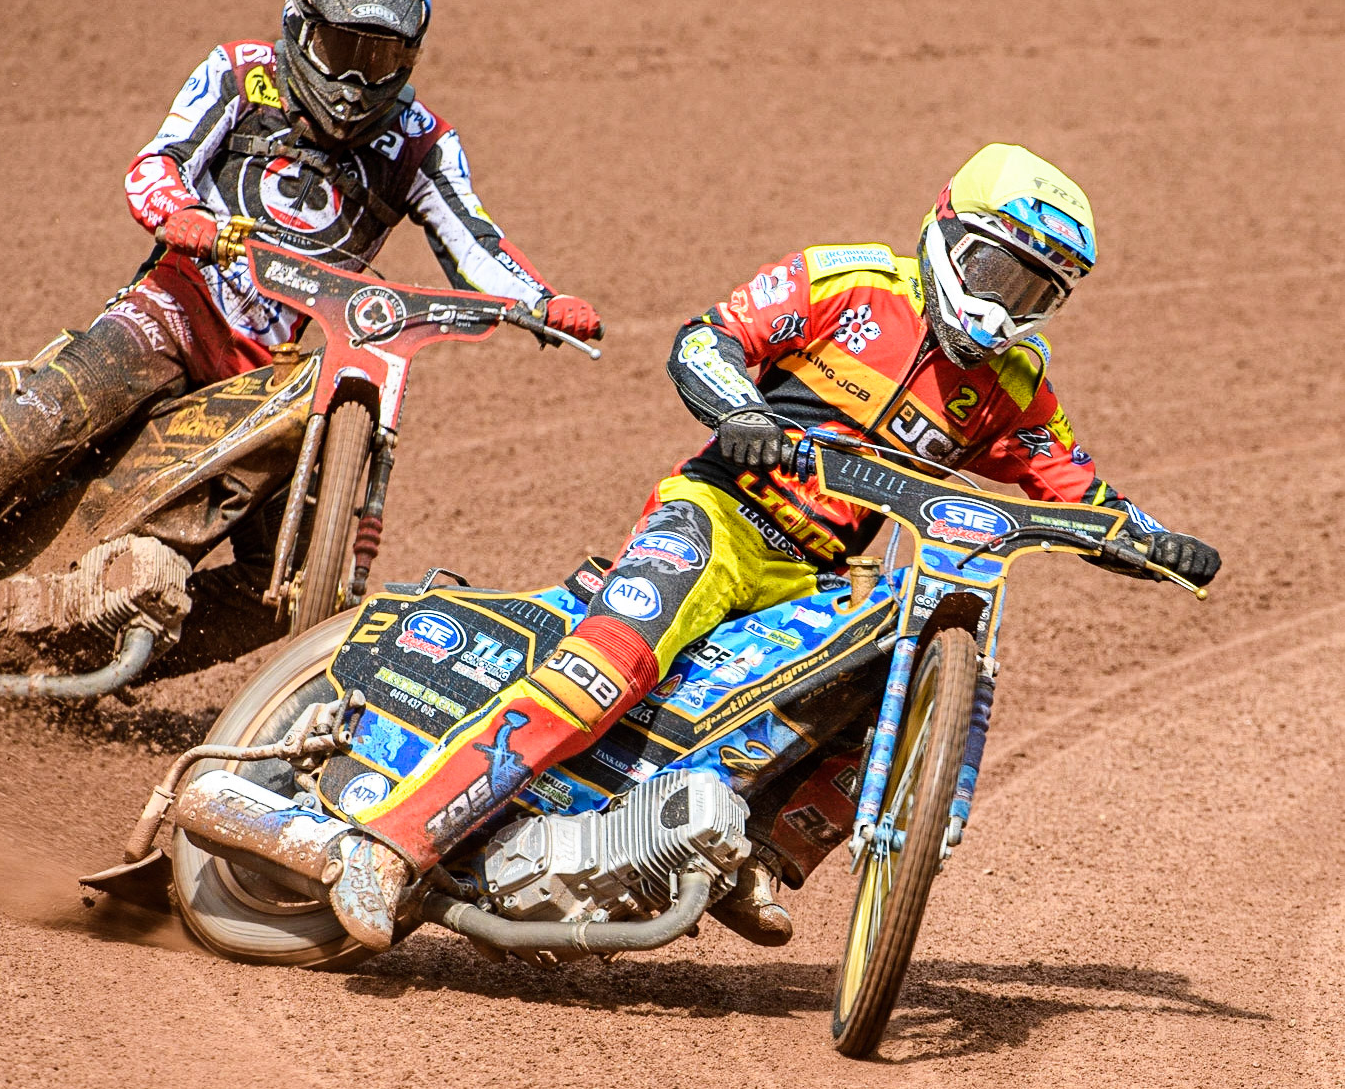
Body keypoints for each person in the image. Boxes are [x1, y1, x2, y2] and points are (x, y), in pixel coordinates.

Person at [325, 143, 1222, 951]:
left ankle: (754, 852)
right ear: (946, 235)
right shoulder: (847, 283)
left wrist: (1150, 540)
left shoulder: (1013, 386)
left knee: (888, 676)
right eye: (995, 272)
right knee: (607, 668)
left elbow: (1076, 487)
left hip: (817, 573)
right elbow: (707, 340)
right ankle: (390, 843)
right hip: (715, 517)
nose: (1003, 307)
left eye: (1033, 293)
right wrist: (741, 413)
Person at [0, 0, 602, 667]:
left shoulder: (420, 140)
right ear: (300, 28)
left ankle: (77, 655)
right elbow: (153, 165)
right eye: (342, 50)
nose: (358, 79)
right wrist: (183, 219)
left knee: (291, 591)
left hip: (279, 372)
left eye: (382, 57)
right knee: (41, 420)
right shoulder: (240, 71)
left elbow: (475, 243)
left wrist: (538, 301)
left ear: (410, 59)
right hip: (173, 310)